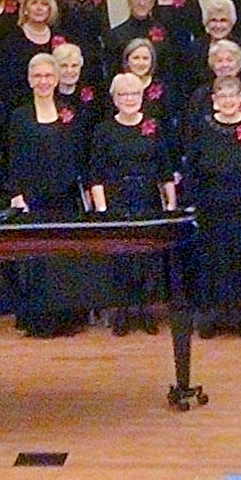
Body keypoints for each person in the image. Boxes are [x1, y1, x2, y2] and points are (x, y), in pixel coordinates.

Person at [6, 53, 91, 338]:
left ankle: (68, 317)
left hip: (65, 196)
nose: (43, 81)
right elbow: (14, 159)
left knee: (65, 258)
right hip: (33, 198)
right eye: (38, 76)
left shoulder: (70, 113)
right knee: (37, 260)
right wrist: (17, 194)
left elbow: (79, 153)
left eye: (48, 76)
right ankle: (39, 320)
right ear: (30, 80)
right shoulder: (19, 116)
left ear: (56, 80)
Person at [183, 76, 241, 338]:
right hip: (210, 202)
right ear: (214, 100)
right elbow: (192, 165)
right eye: (222, 96)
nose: (227, 101)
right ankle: (213, 316)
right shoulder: (203, 127)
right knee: (212, 258)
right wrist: (190, 200)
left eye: (232, 96)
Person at [90, 72, 179, 335]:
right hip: (117, 197)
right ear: (114, 99)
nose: (129, 99)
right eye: (123, 94)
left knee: (147, 256)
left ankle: (145, 310)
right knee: (122, 256)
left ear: (142, 97)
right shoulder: (104, 130)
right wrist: (102, 210)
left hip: (147, 197)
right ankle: (123, 310)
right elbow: (96, 173)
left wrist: (170, 204)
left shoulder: (152, 126)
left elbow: (165, 169)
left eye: (134, 94)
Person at [0, 0, 63, 108]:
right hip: (17, 105)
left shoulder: (59, 38)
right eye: (34, 3)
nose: (39, 8)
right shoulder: (10, 37)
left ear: (50, 10)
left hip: (53, 106)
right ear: (25, 8)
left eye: (44, 4)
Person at [117, 36, 173, 130]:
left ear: (152, 62)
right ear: (127, 61)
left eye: (145, 58)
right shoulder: (118, 86)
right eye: (136, 58)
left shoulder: (163, 88)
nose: (141, 63)